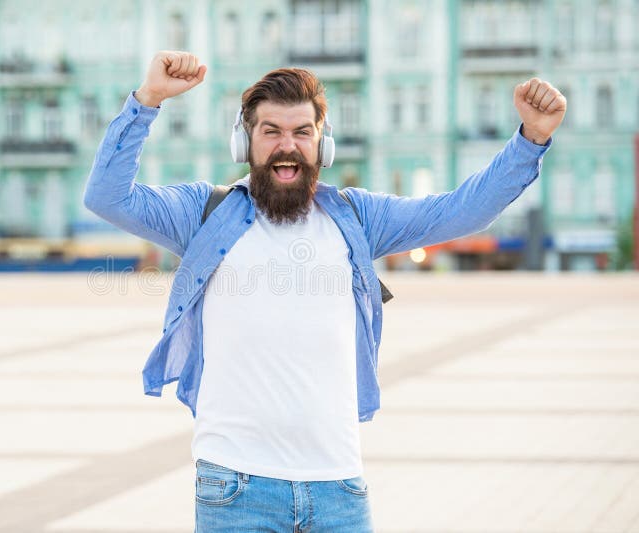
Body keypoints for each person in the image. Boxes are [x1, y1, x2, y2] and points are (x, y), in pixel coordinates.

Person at [83, 51, 566, 532]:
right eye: (270, 131)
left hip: (339, 488)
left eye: (302, 132)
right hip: (234, 488)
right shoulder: (202, 214)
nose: (286, 146)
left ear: (322, 144)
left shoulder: (357, 218)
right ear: (243, 142)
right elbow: (108, 196)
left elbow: (462, 212)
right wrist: (147, 101)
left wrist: (532, 139)